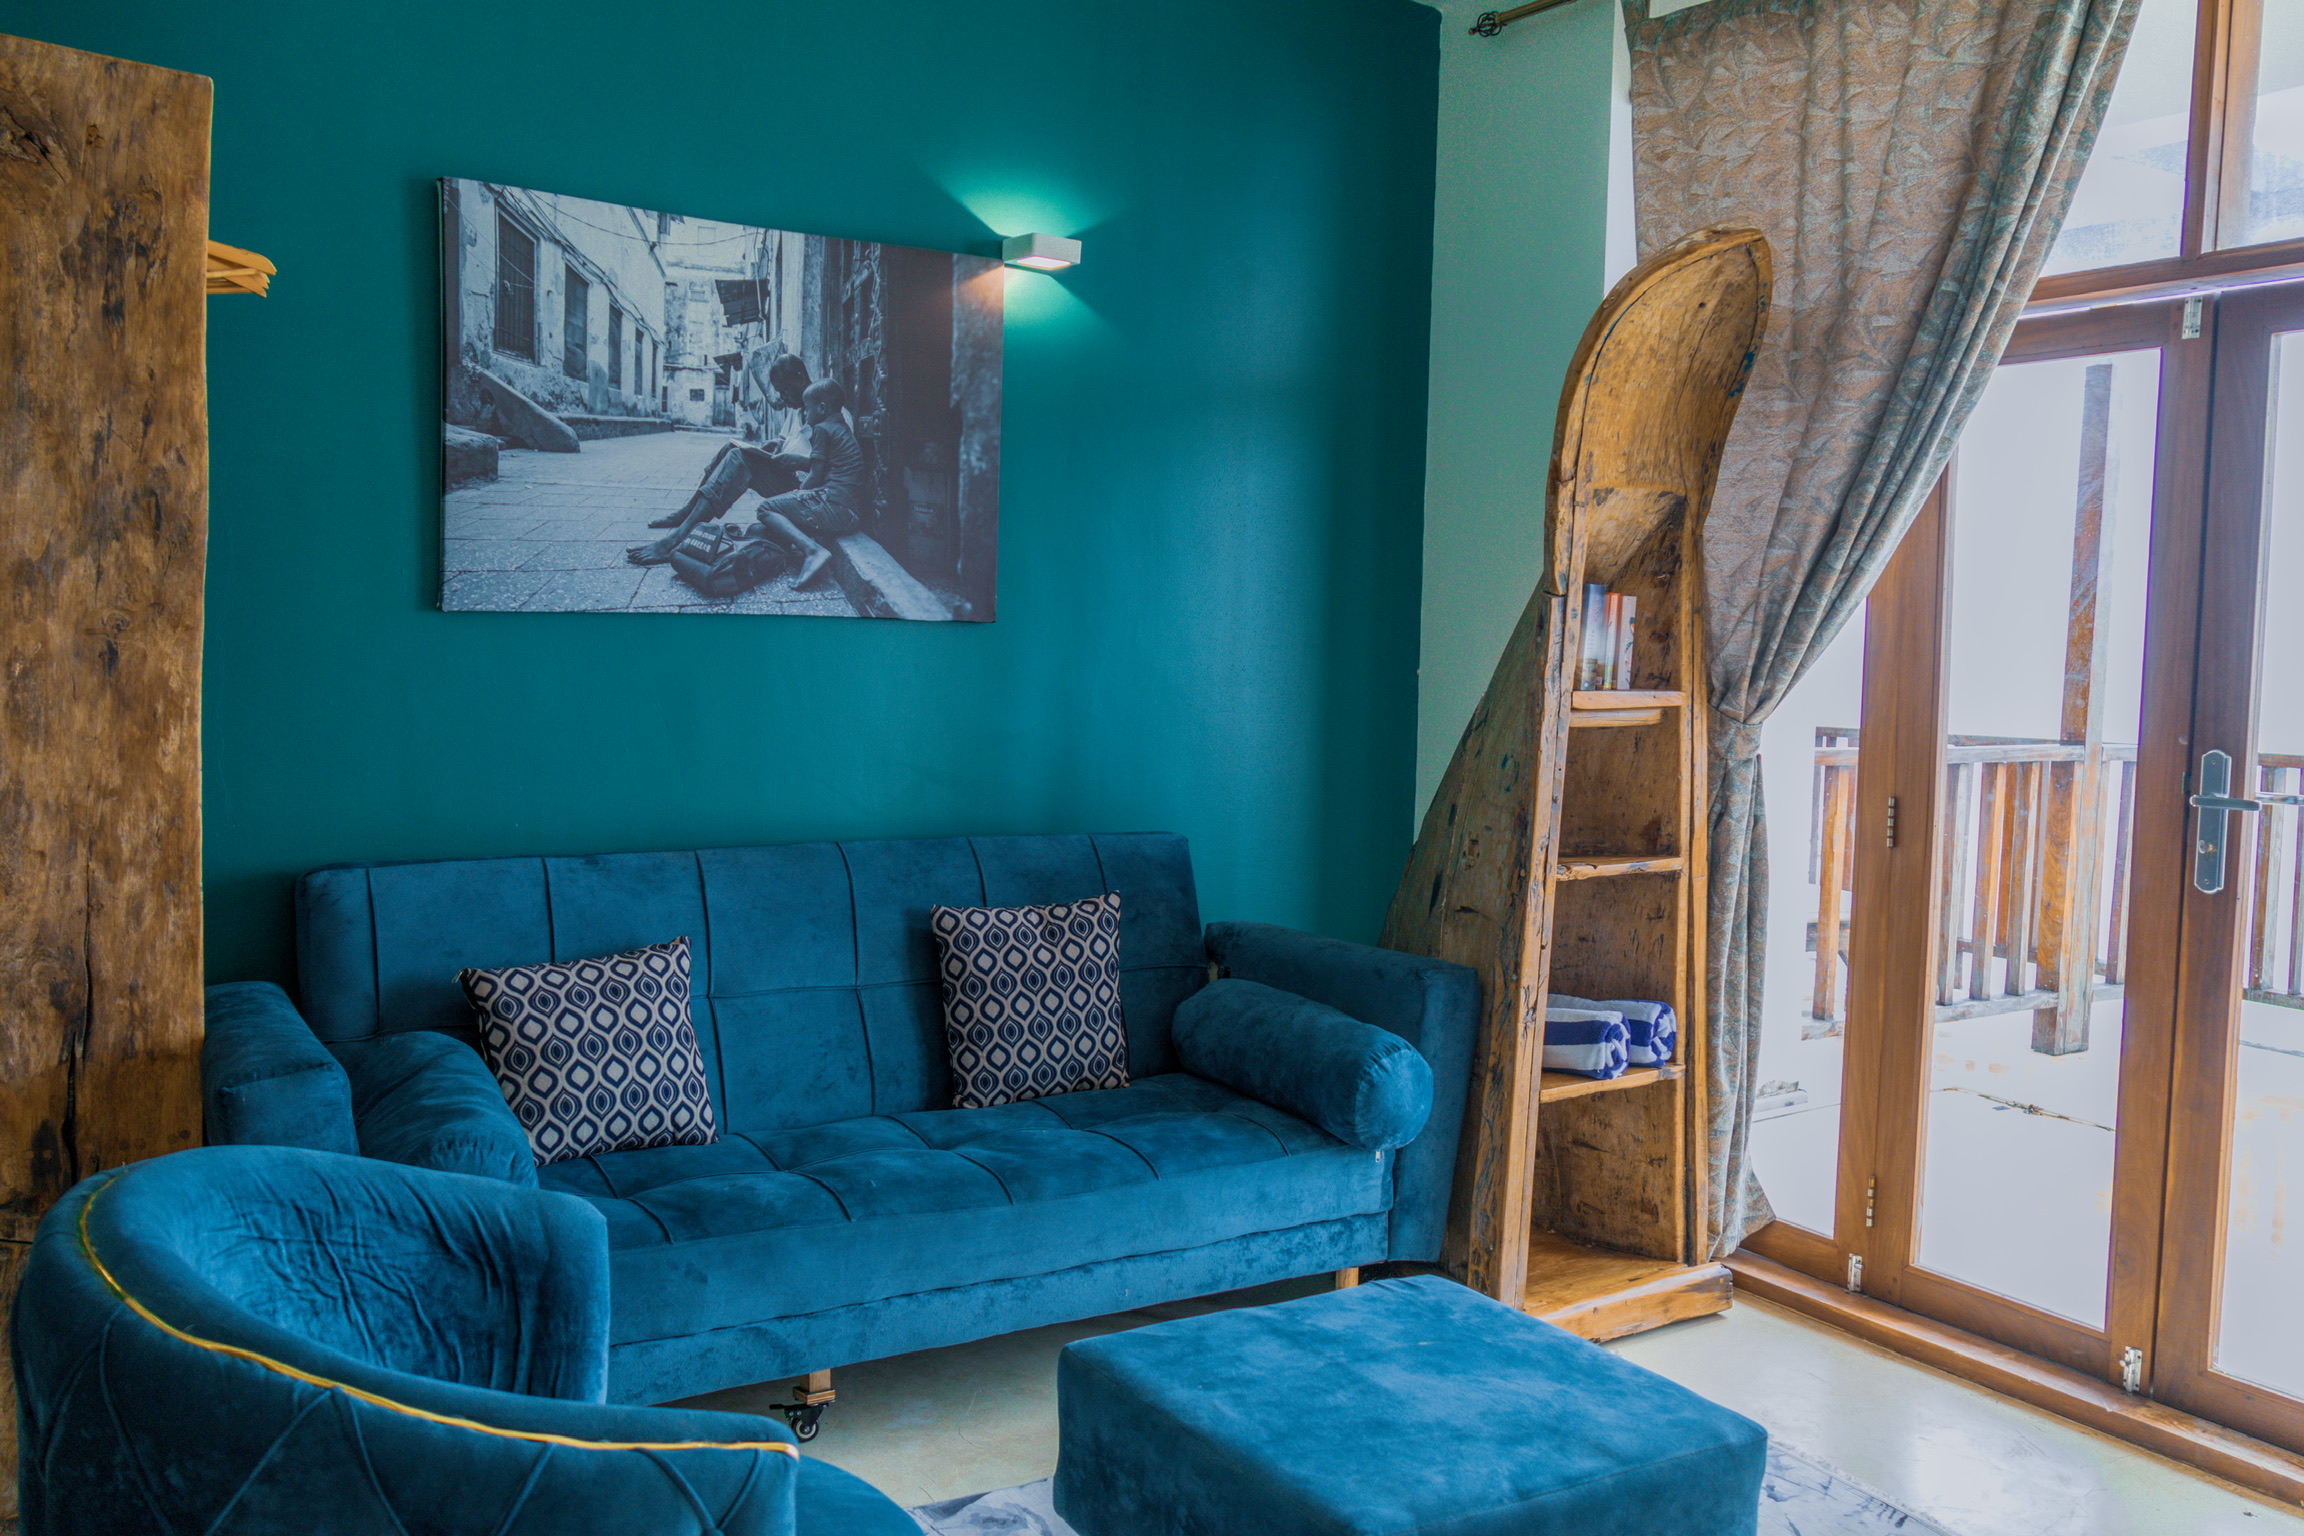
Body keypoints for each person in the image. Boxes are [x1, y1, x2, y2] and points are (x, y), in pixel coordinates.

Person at [627, 350, 819, 566]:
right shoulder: (797, 408)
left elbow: (837, 468)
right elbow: (785, 438)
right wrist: (776, 444)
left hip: (805, 492)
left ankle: (676, 538)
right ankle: (688, 511)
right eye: (779, 392)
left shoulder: (828, 412)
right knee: (731, 448)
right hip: (788, 478)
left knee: (739, 460)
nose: (782, 398)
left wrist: (801, 462)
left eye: (785, 391)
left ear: (800, 378)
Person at [753, 380, 867, 591]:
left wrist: (795, 496)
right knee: (765, 527)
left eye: (807, 409)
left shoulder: (821, 429)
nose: (805, 414)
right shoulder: (841, 426)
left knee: (766, 508)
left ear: (822, 408)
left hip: (836, 507)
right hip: (851, 513)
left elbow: (814, 477)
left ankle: (812, 551)